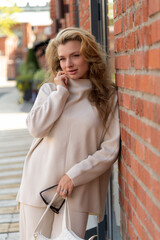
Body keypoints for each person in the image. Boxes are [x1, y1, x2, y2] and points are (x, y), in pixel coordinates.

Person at [16, 27, 120, 239]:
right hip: (38, 187)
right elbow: (36, 128)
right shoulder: (50, 91)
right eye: (62, 59)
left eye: (75, 55)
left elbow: (109, 150)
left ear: (90, 56)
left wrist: (74, 176)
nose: (68, 64)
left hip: (76, 191)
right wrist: (61, 93)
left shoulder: (106, 97)